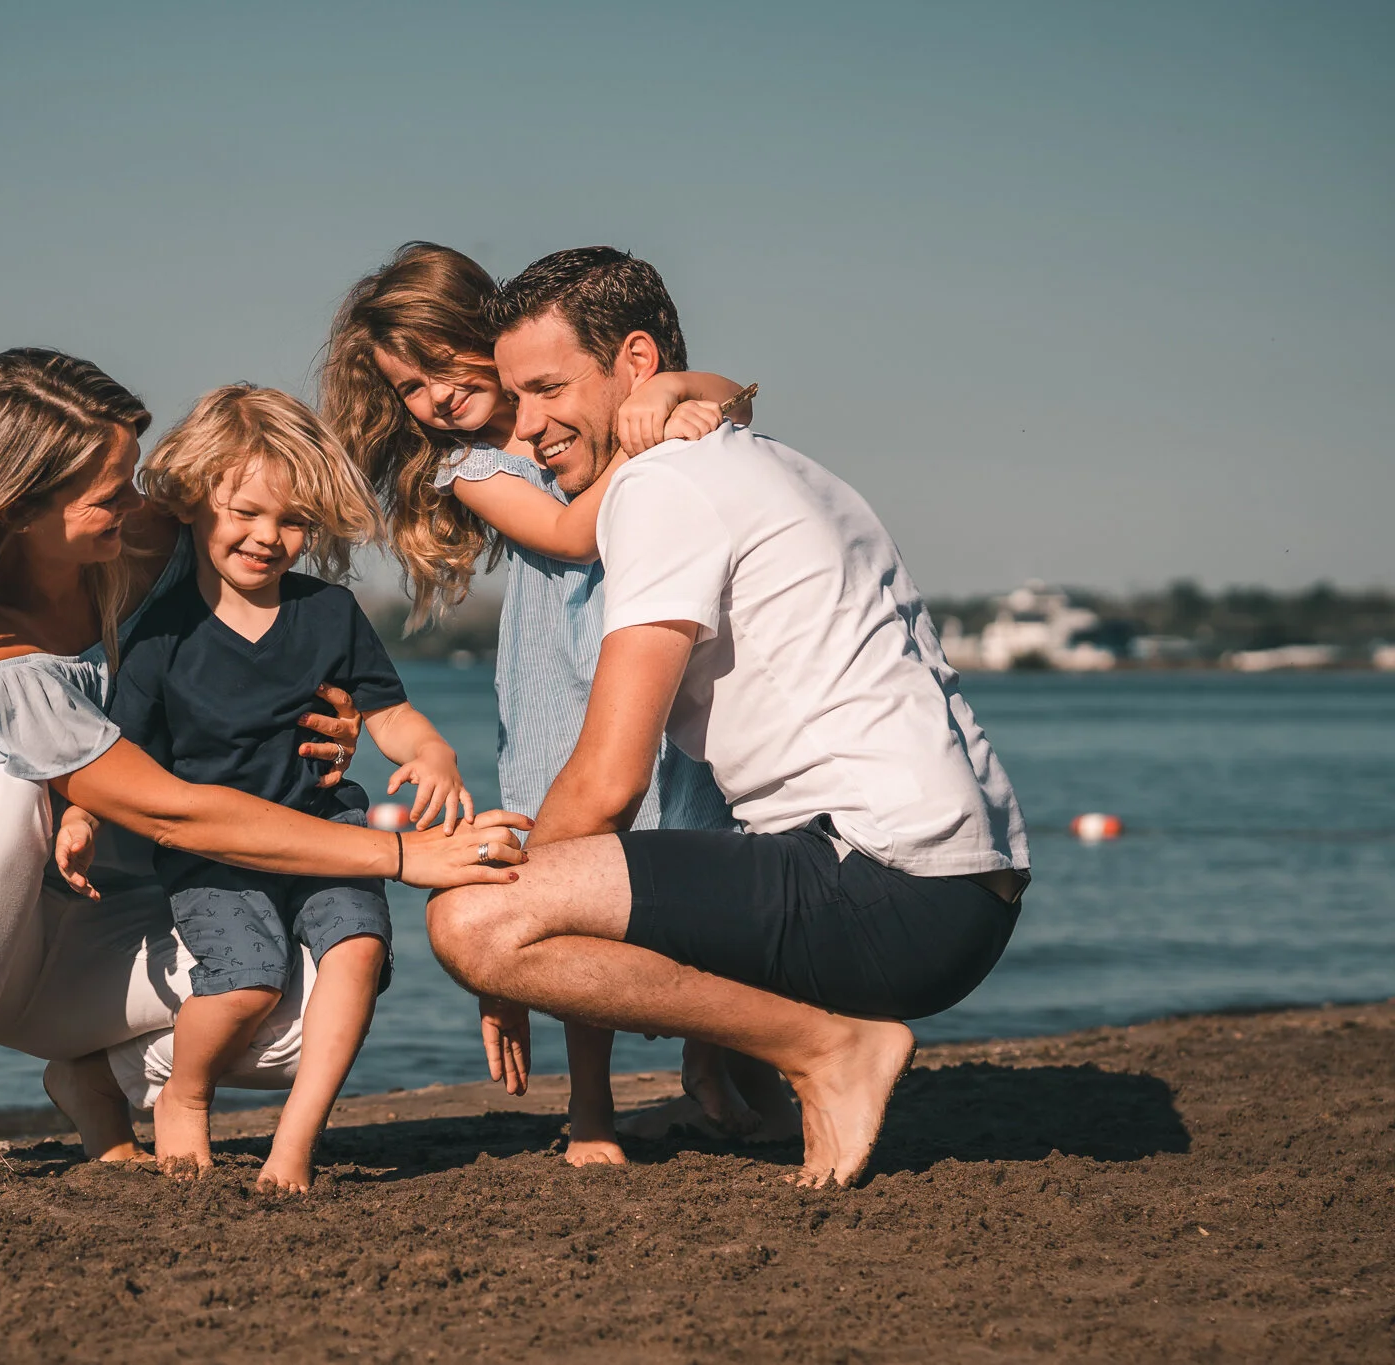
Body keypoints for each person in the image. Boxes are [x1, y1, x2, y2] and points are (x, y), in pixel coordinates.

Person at [0, 348, 528, 1183]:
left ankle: (100, 1074)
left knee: (304, 1005)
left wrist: (313, 724)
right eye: (110, 493)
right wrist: (407, 855)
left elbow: (252, 560)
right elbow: (174, 811)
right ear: (23, 508)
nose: (140, 503)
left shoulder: (155, 539)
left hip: (82, 933)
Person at [426, 249, 1030, 1188]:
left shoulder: (660, 487)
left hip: (887, 889)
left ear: (635, 363)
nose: (530, 425)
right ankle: (770, 1071)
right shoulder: (774, 463)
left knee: (471, 921)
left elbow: (609, 776)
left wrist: (509, 948)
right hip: (964, 888)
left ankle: (830, 1050)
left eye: (548, 389)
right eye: (516, 397)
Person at [321, 243, 782, 1163]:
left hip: (657, 663)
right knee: (567, 871)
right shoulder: (477, 467)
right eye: (408, 389)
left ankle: (714, 1060)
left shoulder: (595, 422)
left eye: (443, 365)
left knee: (699, 839)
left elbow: (739, 391)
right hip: (559, 687)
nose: (433, 400)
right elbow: (574, 535)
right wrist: (667, 436)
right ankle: (592, 1108)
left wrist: (693, 396)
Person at [81, 383, 471, 1190]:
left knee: (359, 949)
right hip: (214, 861)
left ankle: (296, 1141)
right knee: (248, 981)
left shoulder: (329, 614)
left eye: (292, 520)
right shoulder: (164, 635)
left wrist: (431, 752)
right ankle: (184, 1096)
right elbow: (122, 760)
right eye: (246, 513)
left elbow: (388, 711)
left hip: (329, 832)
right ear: (193, 504)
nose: (269, 537)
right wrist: (80, 815)